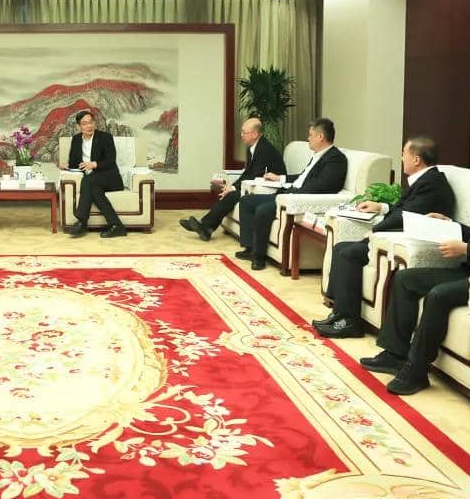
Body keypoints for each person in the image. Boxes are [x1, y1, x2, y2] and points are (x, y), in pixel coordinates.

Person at [360, 141, 470, 396]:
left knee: (439, 295)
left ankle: (416, 372)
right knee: (406, 279)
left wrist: (467, 250)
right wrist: (452, 225)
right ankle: (394, 354)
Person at [314, 136, 455, 338]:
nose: (402, 158)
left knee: (348, 253)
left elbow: (405, 216)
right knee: (341, 248)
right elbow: (405, 207)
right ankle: (339, 314)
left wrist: (375, 230)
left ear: (416, 159)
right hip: (397, 236)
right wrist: (381, 207)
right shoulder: (426, 179)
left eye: (404, 153)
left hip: (403, 240)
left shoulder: (431, 183)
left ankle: (349, 322)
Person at [236, 117, 348, 270]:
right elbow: (302, 177)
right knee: (246, 201)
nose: (308, 138)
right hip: (288, 194)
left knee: (263, 210)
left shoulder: (335, 159)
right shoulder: (318, 155)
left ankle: (258, 257)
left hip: (297, 199)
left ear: (320, 137)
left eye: (310, 135)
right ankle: (249, 248)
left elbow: (324, 185)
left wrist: (294, 193)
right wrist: (280, 178)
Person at [180, 117, 286, 241]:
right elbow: (248, 172)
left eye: (244, 132)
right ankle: (206, 228)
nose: (241, 135)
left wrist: (234, 189)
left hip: (270, 189)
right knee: (227, 191)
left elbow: (256, 175)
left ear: (255, 134)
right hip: (256, 184)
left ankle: (205, 227)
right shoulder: (252, 147)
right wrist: (232, 187)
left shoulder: (264, 149)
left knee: (232, 195)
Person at [66, 110, 127, 238]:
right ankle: (117, 226)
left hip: (110, 178)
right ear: (79, 126)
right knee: (94, 190)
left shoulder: (105, 137)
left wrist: (94, 164)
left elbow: (111, 161)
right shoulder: (76, 139)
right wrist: (66, 166)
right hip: (93, 181)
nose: (89, 126)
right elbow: (73, 162)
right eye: (85, 123)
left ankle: (82, 221)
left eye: (91, 122)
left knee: (88, 181)